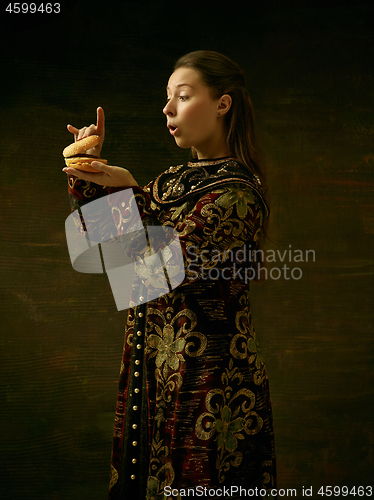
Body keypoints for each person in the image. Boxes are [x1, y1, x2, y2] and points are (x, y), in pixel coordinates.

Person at [63, 51, 276, 500]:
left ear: (223, 103)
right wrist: (90, 175)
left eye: (182, 96)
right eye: (167, 98)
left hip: (206, 383)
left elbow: (162, 271)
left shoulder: (239, 194)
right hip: (147, 373)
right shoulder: (166, 184)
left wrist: (124, 190)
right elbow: (113, 260)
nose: (167, 109)